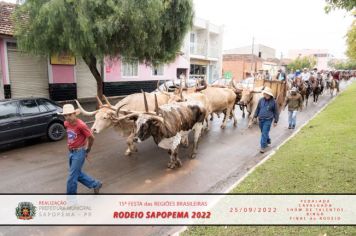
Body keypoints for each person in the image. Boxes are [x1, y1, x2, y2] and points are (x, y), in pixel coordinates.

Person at [59, 104, 102, 194]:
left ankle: (71, 202)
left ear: (75, 114)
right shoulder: (66, 123)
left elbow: (91, 137)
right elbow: (71, 135)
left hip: (79, 153)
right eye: (65, 115)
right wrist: (69, 143)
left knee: (71, 178)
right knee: (76, 174)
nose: (68, 117)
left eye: (70, 115)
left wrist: (88, 149)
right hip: (71, 152)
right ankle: (96, 184)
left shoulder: (81, 125)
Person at [253, 87, 279, 153]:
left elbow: (276, 112)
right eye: (265, 94)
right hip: (260, 119)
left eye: (267, 94)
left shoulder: (274, 102)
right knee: (263, 132)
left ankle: (262, 147)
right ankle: (268, 140)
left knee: (264, 133)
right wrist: (255, 116)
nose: (266, 95)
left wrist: (275, 121)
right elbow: (258, 109)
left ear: (270, 95)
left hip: (268, 120)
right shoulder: (261, 100)